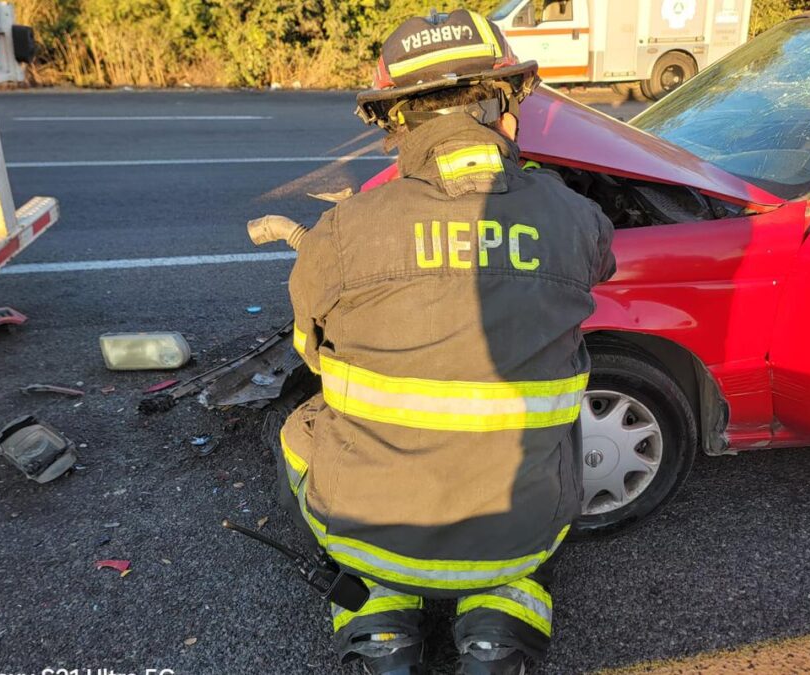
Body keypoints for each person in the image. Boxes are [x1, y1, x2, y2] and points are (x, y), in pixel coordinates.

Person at [278, 8, 616, 674]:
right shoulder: (577, 218)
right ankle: (499, 628)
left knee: (301, 427)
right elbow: (594, 262)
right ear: (505, 108)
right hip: (523, 531)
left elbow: (310, 351)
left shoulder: (345, 230)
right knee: (562, 430)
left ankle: (380, 628)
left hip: (374, 532)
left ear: (396, 122)